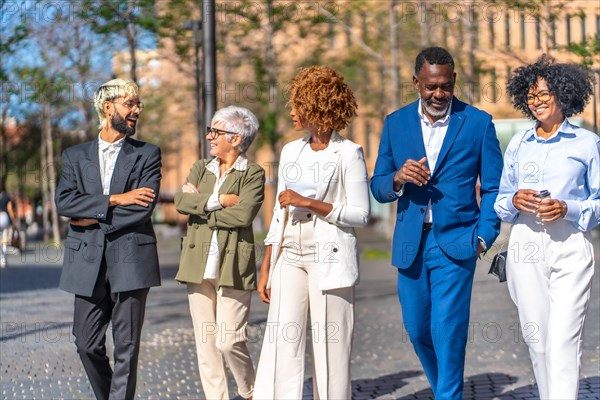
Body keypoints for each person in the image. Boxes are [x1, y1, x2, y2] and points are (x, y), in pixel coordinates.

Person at [370, 47, 503, 399]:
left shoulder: (478, 123)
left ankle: (448, 396)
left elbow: (493, 186)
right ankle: (443, 386)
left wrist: (484, 234)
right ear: (417, 82)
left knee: (448, 330)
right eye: (430, 87)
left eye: (444, 86)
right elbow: (378, 185)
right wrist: (397, 178)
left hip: (458, 241)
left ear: (454, 80)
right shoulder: (395, 123)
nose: (438, 94)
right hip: (411, 243)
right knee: (417, 329)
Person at [254, 66, 370, 399]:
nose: (292, 112)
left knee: (330, 344)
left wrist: (309, 202)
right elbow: (279, 212)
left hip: (328, 255)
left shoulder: (348, 153)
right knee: (281, 341)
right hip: (289, 253)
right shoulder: (291, 151)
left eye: (298, 105)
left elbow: (360, 214)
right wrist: (267, 265)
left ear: (318, 107)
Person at [494, 55, 599, 400]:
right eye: (531, 95)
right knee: (537, 342)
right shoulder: (519, 145)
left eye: (544, 94)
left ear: (564, 95)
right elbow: (501, 200)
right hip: (525, 247)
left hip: (569, 247)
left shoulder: (586, 144)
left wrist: (568, 208)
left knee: (563, 340)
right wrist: (514, 201)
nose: (537, 101)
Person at [55, 79, 161, 400]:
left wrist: (90, 215)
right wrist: (115, 199)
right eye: (130, 104)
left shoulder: (147, 154)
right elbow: (64, 203)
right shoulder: (74, 155)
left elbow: (142, 207)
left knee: (126, 347)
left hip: (131, 260)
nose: (136, 111)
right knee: (86, 344)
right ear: (108, 107)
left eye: (138, 105)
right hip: (86, 263)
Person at [174, 106, 264, 400]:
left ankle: (250, 391)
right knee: (206, 345)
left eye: (216, 131)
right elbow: (180, 202)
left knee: (229, 341)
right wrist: (219, 201)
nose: (209, 136)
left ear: (236, 138)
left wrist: (201, 204)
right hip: (197, 267)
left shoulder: (253, 173)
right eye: (210, 130)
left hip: (234, 267)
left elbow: (243, 216)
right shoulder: (201, 168)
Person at [0, 183, 16, 268]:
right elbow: (9, 209)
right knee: (4, 238)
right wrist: (13, 221)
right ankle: (3, 259)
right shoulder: (6, 197)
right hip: (4, 217)